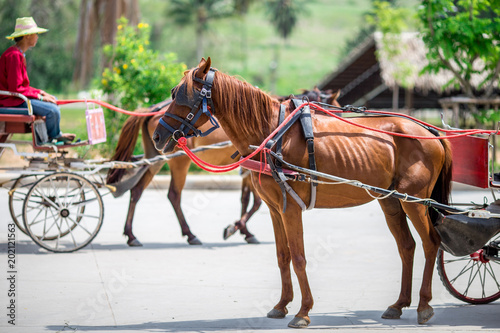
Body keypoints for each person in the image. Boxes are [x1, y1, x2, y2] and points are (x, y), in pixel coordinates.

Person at [0, 16, 75, 144]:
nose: (37, 37)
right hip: (11, 102)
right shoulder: (13, 56)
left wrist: (41, 92)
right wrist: (39, 98)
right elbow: (15, 89)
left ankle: (54, 135)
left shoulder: (18, 54)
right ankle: (53, 138)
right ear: (27, 36)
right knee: (52, 110)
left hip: (16, 99)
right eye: (36, 34)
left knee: (53, 100)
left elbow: (22, 86)